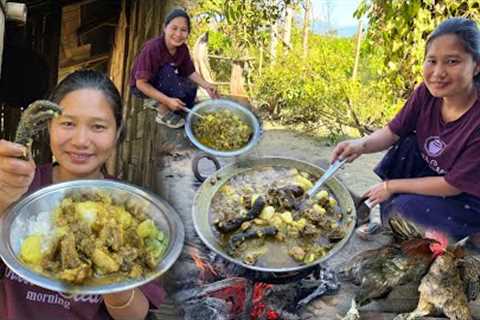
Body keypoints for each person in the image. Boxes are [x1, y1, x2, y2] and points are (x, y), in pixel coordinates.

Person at [0, 70, 165, 320]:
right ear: (49, 125)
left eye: (98, 126)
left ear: (117, 131)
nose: (80, 140)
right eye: (67, 123)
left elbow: (136, 315)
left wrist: (113, 274)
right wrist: (3, 202)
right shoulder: (15, 184)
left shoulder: (133, 210)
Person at [332, 17, 480, 245]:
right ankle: (391, 227)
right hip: (439, 172)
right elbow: (393, 131)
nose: (438, 72)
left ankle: (463, 234)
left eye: (452, 61)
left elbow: (453, 185)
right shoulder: (426, 94)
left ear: (476, 66)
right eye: (432, 61)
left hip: (467, 193)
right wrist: (359, 145)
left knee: (404, 208)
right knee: (407, 145)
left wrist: (390, 186)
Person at [129, 8, 219, 129]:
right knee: (168, 71)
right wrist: (167, 101)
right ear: (165, 28)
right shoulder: (152, 48)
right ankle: (160, 110)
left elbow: (189, 71)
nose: (178, 34)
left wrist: (206, 85)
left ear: (188, 33)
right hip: (143, 86)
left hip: (165, 79)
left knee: (191, 88)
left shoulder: (183, 49)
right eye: (174, 28)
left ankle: (168, 102)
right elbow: (141, 84)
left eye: (183, 30)